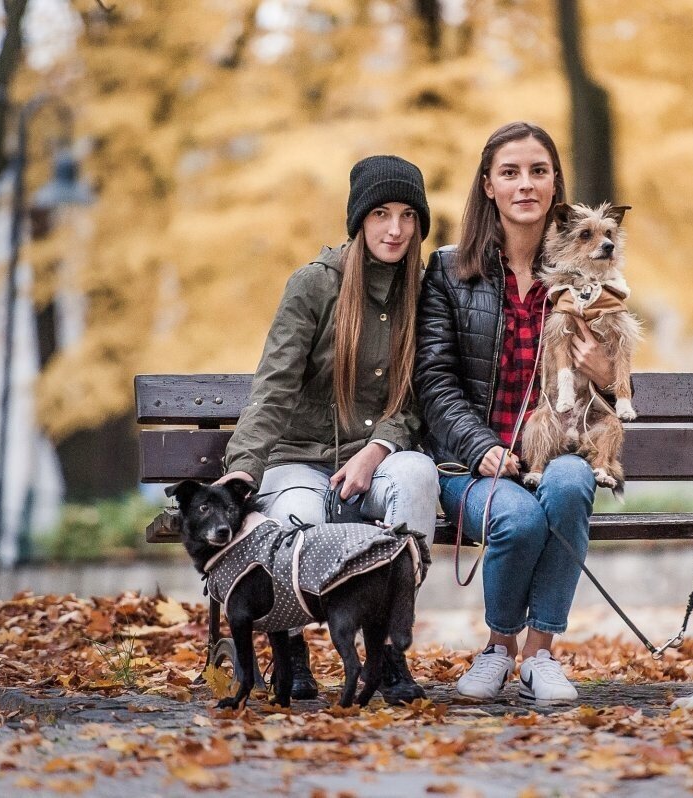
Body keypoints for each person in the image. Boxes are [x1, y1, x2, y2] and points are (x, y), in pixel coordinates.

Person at [217, 155, 439, 704]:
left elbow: (416, 396)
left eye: (409, 216)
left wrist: (378, 450)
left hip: (378, 457)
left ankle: (389, 652)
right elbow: (274, 385)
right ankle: (289, 648)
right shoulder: (314, 286)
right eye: (382, 214)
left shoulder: (424, 290)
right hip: (300, 456)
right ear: (359, 221)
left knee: (415, 476)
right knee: (300, 516)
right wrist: (243, 468)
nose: (395, 229)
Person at [414, 122, 618, 703]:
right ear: (488, 186)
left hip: (557, 452)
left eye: (538, 171)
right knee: (520, 518)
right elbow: (434, 379)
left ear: (556, 186)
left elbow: (612, 387)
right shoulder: (451, 272)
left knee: (574, 480)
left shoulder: (585, 280)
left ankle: (539, 656)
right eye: (510, 172)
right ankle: (499, 650)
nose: (525, 184)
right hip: (468, 466)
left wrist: (604, 372)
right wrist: (480, 449)